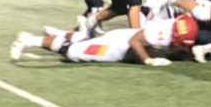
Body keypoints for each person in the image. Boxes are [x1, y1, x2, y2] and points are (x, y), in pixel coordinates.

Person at [10, 15, 198, 66]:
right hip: (117, 47)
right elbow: (135, 42)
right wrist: (148, 60)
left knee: (86, 40)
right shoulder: (162, 33)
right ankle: (29, 40)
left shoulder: (176, 25)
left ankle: (58, 32)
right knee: (73, 52)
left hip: (121, 37)